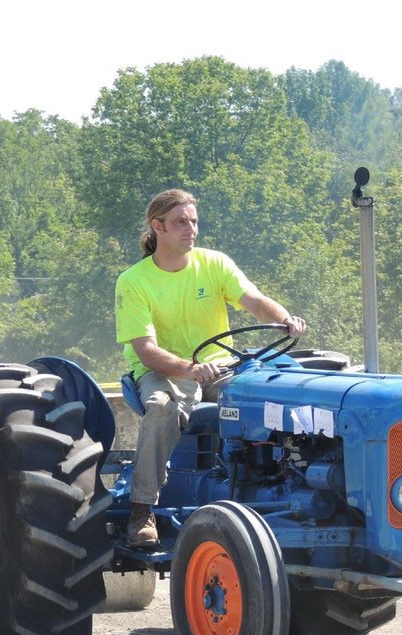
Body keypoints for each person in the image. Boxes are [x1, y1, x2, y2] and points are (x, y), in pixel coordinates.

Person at [115, 189, 308, 548]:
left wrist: (284, 319)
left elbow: (255, 302)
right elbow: (147, 351)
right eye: (180, 223)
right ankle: (142, 510)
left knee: (276, 394)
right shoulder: (134, 281)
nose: (191, 229)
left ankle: (283, 483)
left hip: (219, 367)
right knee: (161, 408)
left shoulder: (215, 263)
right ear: (158, 227)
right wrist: (190, 369)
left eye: (194, 221)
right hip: (164, 372)